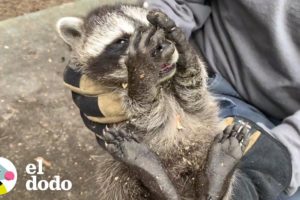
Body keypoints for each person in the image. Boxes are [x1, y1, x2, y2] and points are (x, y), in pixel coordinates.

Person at [64, 0, 300, 199]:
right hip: (212, 83)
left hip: (289, 129)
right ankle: (209, 184)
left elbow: (147, 113)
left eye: (154, 35)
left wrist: (289, 154)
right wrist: (184, 55)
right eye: (123, 43)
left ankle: (163, 181)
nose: (153, 45)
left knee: (122, 167)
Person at [141, 0, 300, 199]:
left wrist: (283, 158)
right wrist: (143, 50)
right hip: (205, 78)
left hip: (288, 136)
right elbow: (177, 6)